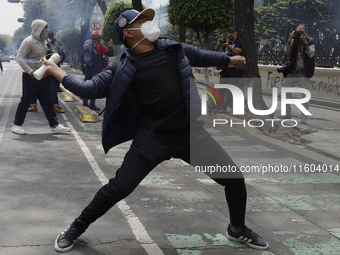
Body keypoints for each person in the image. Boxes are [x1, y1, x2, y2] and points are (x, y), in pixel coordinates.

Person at [44, 8, 268, 252]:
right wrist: (57, 71)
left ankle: (237, 230)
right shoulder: (121, 66)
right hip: (152, 137)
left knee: (234, 179)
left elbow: (200, 56)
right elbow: (89, 88)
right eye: (141, 21)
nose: (149, 22)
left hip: (189, 133)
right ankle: (75, 228)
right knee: (119, 187)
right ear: (128, 32)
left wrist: (228, 59)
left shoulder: (171, 46)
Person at [12, 19, 71, 135]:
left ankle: (54, 126)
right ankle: (17, 125)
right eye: (44, 28)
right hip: (31, 77)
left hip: (44, 76)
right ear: (37, 28)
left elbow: (49, 53)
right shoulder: (28, 42)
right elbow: (19, 58)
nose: (46, 30)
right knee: (26, 101)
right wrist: (30, 71)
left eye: (47, 28)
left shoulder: (45, 41)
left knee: (48, 101)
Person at [278, 24, 315, 124]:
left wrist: (305, 42)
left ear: (306, 32)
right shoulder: (294, 40)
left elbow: (311, 53)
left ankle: (303, 116)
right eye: (298, 31)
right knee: (286, 92)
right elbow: (286, 50)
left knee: (305, 95)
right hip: (292, 71)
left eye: (301, 32)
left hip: (303, 72)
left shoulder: (310, 41)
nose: (299, 33)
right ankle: (287, 113)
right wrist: (290, 38)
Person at [27, 31, 65, 113]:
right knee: (53, 87)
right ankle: (56, 106)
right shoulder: (56, 44)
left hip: (43, 67)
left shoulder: (45, 43)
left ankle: (33, 105)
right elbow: (61, 53)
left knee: (37, 85)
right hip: (53, 68)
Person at [213, 26, 245, 113]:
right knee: (222, 88)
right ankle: (218, 107)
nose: (230, 34)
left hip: (235, 68)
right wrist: (220, 46)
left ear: (236, 33)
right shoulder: (225, 42)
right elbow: (221, 55)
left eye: (232, 32)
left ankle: (223, 108)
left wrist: (228, 47)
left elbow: (237, 53)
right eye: (229, 32)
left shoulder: (239, 42)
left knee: (231, 88)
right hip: (225, 68)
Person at [82, 31, 114, 110]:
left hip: (88, 68)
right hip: (96, 68)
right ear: (98, 38)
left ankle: (85, 102)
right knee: (94, 86)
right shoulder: (100, 46)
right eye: (100, 38)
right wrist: (110, 45)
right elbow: (110, 53)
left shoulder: (87, 46)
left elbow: (82, 55)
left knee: (86, 85)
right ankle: (92, 104)